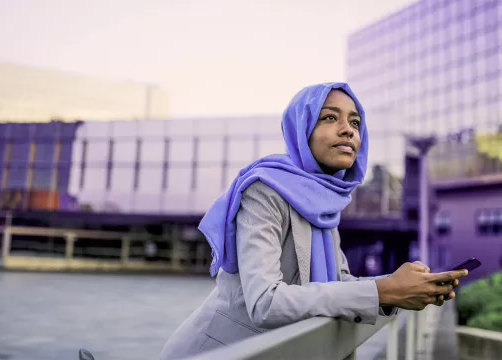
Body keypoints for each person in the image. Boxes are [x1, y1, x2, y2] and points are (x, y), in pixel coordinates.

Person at [159, 82, 468, 359]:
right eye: (330, 117)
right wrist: (384, 290)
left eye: (355, 122)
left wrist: (405, 287)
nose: (348, 130)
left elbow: (338, 283)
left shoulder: (324, 200)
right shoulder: (264, 189)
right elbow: (265, 302)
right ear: (301, 128)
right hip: (217, 353)